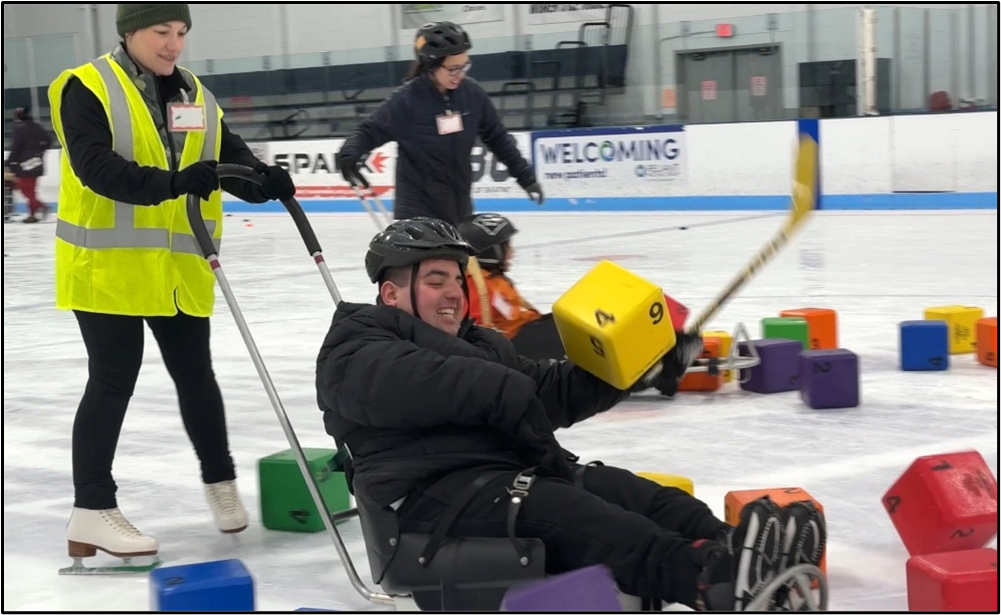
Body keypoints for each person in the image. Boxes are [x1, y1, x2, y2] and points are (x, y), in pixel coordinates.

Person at [315, 217, 827, 610]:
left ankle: (739, 553)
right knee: (575, 515)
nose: (453, 292)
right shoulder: (355, 347)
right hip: (430, 501)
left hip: (504, 479)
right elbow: (438, 384)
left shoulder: (482, 345)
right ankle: (708, 582)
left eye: (457, 279)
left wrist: (637, 364)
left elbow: (548, 390)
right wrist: (513, 391)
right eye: (435, 280)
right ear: (391, 293)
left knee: (640, 495)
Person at [47, 4, 297, 566]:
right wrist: (171, 183)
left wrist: (265, 180)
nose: (173, 44)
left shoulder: (194, 94)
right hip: (108, 268)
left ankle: (220, 480)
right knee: (113, 380)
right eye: (162, 31)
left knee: (196, 376)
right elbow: (95, 167)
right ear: (130, 31)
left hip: (178, 268)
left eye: (181, 32)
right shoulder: (85, 87)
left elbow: (227, 159)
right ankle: (92, 508)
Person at [456, 212, 697, 396]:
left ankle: (655, 342)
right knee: (587, 343)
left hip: (526, 335)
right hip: (516, 347)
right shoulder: (476, 285)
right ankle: (651, 372)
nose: (512, 253)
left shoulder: (491, 280)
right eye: (506, 246)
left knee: (588, 316)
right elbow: (474, 331)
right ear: (491, 250)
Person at [335, 21, 543, 225]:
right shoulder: (407, 100)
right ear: (431, 66)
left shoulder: (472, 94)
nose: (460, 74)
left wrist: (525, 177)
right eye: (453, 69)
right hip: (417, 215)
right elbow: (370, 130)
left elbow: (498, 138)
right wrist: (349, 152)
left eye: (464, 66)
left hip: (458, 209)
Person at [4, 106, 53, 223]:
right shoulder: (37, 127)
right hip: (36, 162)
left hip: (23, 163)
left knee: (26, 190)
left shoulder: (19, 129)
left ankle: (42, 206)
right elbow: (49, 140)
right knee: (30, 190)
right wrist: (40, 151)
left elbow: (16, 148)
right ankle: (33, 214)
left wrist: (9, 162)